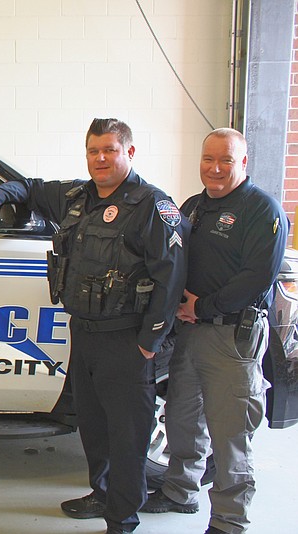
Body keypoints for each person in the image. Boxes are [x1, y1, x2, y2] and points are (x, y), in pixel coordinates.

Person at [0, 118, 188, 534]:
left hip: (127, 338)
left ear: (129, 153)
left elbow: (171, 275)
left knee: (127, 433)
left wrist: (150, 341)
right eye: (93, 151)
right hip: (83, 331)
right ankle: (101, 493)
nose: (101, 158)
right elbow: (28, 187)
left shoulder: (153, 207)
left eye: (110, 150)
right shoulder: (77, 197)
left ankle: (122, 517)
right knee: (93, 423)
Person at [140, 128, 287, 534]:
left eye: (226, 160)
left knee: (230, 434)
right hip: (189, 332)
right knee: (183, 417)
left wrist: (201, 305)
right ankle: (180, 490)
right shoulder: (193, 207)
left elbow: (256, 278)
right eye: (209, 159)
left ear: (243, 162)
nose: (215, 169)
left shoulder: (263, 210)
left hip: (231, 337)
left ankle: (228, 521)